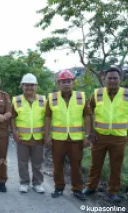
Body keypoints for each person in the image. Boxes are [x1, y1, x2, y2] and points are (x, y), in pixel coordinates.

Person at [44, 70, 91, 200]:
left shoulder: (81, 97)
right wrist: (47, 136)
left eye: (69, 81)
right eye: (63, 82)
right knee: (57, 164)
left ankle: (77, 189)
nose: (66, 84)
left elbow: (87, 116)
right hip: (58, 139)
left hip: (76, 139)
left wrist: (87, 136)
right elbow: (48, 117)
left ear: (73, 83)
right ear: (59, 83)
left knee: (76, 164)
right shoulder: (52, 98)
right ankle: (59, 187)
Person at [83, 67, 128, 203]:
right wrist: (90, 132)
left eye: (115, 78)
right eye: (110, 78)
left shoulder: (126, 94)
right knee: (95, 164)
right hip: (99, 137)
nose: (112, 80)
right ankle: (91, 187)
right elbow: (88, 113)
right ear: (104, 79)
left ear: (120, 79)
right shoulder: (97, 94)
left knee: (116, 166)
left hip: (119, 138)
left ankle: (113, 192)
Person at [10, 73, 46, 193]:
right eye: (27, 85)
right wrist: (14, 132)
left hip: (38, 137)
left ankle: (37, 183)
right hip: (22, 138)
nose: (29, 88)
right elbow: (12, 118)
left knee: (37, 162)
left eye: (32, 85)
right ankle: (24, 183)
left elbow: (48, 118)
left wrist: (46, 134)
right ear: (22, 86)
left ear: (36, 86)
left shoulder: (43, 100)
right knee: (22, 162)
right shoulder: (16, 100)